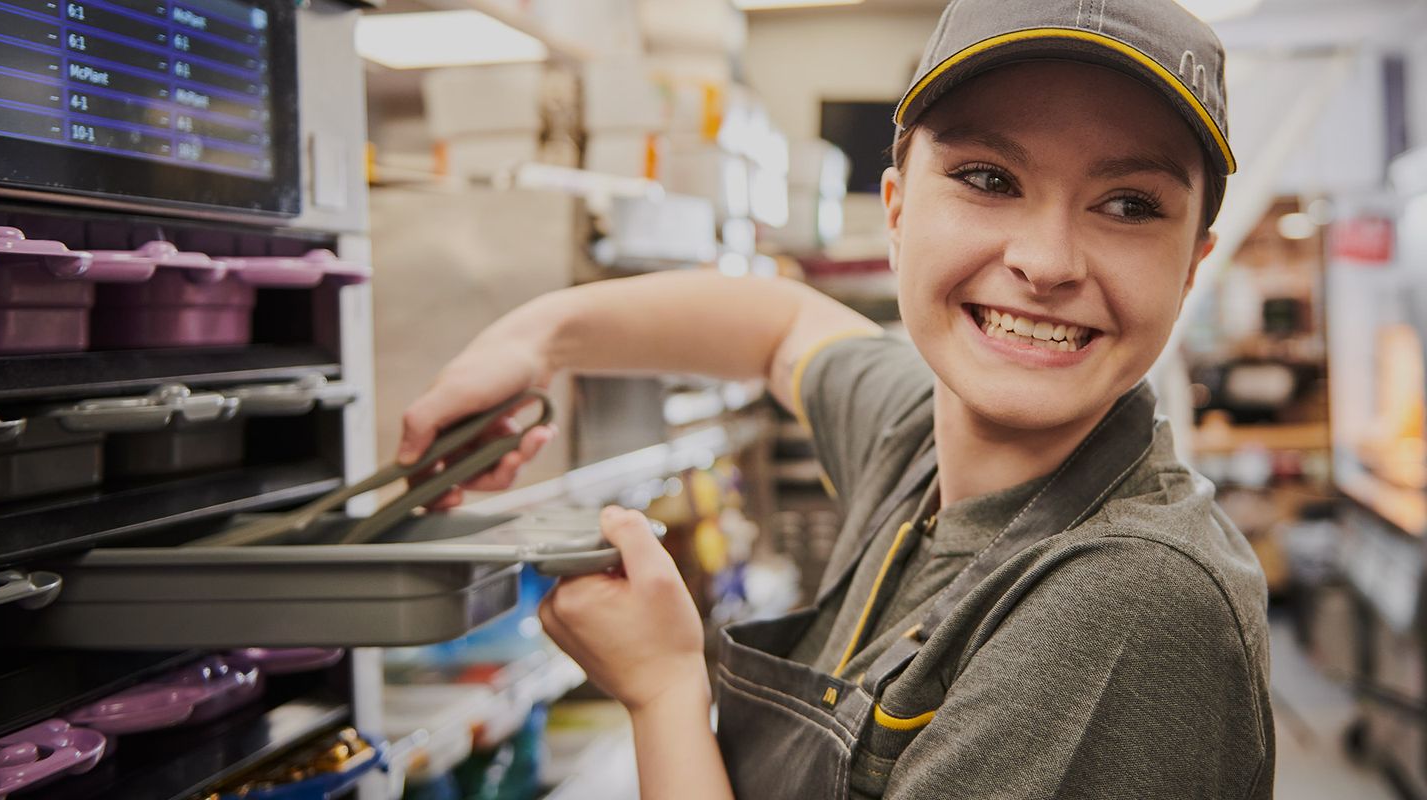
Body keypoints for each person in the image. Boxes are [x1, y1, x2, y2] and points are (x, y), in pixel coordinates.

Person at [397, 0, 1273, 796]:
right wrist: (536, 337)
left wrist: (663, 688)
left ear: (1193, 262)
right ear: (895, 212)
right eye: (988, 178)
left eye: (1127, 204)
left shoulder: (1128, 602)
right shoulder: (920, 444)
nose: (1047, 261)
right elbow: (778, 327)